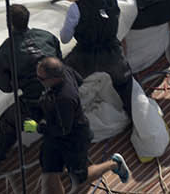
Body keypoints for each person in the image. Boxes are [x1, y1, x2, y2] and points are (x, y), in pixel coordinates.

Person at [28, 58, 131, 193]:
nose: (38, 80)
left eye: (41, 79)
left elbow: (63, 130)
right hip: (54, 136)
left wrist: (37, 128)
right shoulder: (64, 70)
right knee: (49, 172)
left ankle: (114, 164)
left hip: (73, 140)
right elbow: (80, 80)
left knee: (80, 178)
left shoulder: (64, 99)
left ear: (54, 78)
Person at [0, 4, 63, 173]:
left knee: (9, 122)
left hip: (35, 105)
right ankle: (50, 128)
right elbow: (59, 61)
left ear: (9, 24)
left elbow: (5, 87)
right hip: (60, 98)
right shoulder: (47, 36)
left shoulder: (6, 51)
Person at [53, 0, 135, 118]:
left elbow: (65, 38)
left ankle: (65, 117)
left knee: (63, 80)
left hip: (85, 55)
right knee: (125, 85)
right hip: (112, 52)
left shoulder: (75, 9)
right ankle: (133, 115)